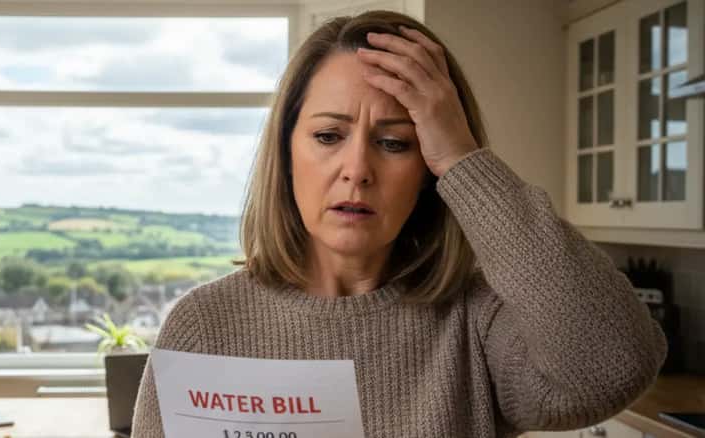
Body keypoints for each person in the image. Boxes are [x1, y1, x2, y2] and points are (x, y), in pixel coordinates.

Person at [131, 10, 667, 438]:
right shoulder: (204, 324)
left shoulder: (476, 324)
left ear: (428, 173)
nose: (357, 171)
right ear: (286, 152)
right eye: (327, 136)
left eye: (395, 143)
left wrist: (463, 157)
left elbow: (614, 367)